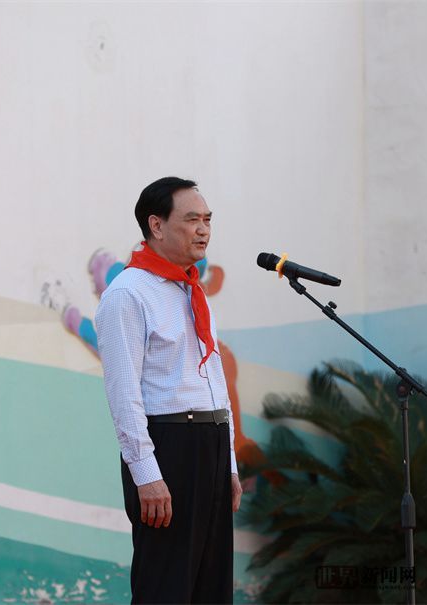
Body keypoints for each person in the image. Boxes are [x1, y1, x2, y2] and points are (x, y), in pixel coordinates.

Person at [95, 176, 242, 604]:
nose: (203, 230)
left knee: (212, 589)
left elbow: (214, 381)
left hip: (212, 444)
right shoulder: (127, 295)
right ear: (156, 225)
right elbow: (123, 394)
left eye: (208, 220)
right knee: (166, 589)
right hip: (170, 448)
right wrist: (147, 476)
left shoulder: (192, 290)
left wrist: (229, 462)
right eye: (192, 219)